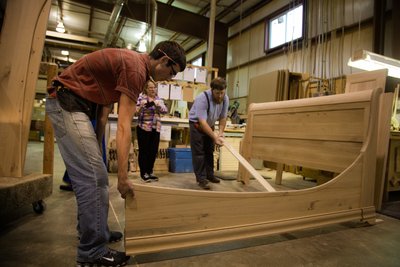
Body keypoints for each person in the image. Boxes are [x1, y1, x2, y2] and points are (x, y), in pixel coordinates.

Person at [45, 41, 186, 266]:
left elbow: (104, 111)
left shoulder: (134, 67)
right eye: (172, 71)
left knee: (96, 172)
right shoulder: (136, 69)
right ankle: (91, 252)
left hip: (81, 105)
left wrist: (97, 149)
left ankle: (94, 230)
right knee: (93, 177)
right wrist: (122, 177)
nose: (170, 78)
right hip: (67, 101)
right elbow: (123, 127)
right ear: (163, 60)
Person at [188, 77, 229, 190]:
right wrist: (214, 137)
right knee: (199, 153)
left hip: (209, 124)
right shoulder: (203, 98)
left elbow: (223, 118)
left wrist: (220, 134)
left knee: (209, 151)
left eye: (222, 93)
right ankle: (201, 179)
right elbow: (202, 122)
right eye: (217, 93)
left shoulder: (225, 99)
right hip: (197, 124)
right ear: (212, 90)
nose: (220, 96)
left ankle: (210, 175)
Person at [136, 80, 168, 182]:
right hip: (144, 128)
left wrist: (158, 106)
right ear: (146, 88)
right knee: (144, 151)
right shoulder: (141, 97)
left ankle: (150, 171)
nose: (153, 89)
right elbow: (136, 112)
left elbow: (165, 110)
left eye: (154, 87)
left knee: (153, 151)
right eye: (150, 88)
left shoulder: (158, 99)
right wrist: (142, 107)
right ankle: (143, 173)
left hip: (156, 128)